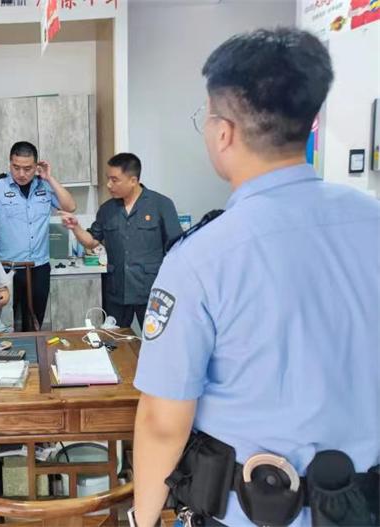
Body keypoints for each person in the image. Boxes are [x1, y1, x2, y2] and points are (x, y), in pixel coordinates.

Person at [132, 28, 379, 527]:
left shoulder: (201, 258)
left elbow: (163, 422)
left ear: (224, 132)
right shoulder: (371, 220)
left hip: (253, 510)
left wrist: (143, 519)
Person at [60, 153, 181, 329]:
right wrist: (75, 227)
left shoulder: (161, 205)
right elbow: (92, 242)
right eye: (108, 179)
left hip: (151, 291)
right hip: (117, 291)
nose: (109, 184)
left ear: (133, 180)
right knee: (113, 339)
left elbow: (177, 248)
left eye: (114, 180)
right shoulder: (107, 209)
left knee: (155, 340)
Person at [0, 141, 76, 330]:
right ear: (10, 163)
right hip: (6, 269)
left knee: (34, 324)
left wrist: (50, 178)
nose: (21, 174)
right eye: (16, 167)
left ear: (36, 166)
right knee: (5, 325)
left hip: (38, 268)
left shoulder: (45, 186)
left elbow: (70, 207)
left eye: (28, 169)